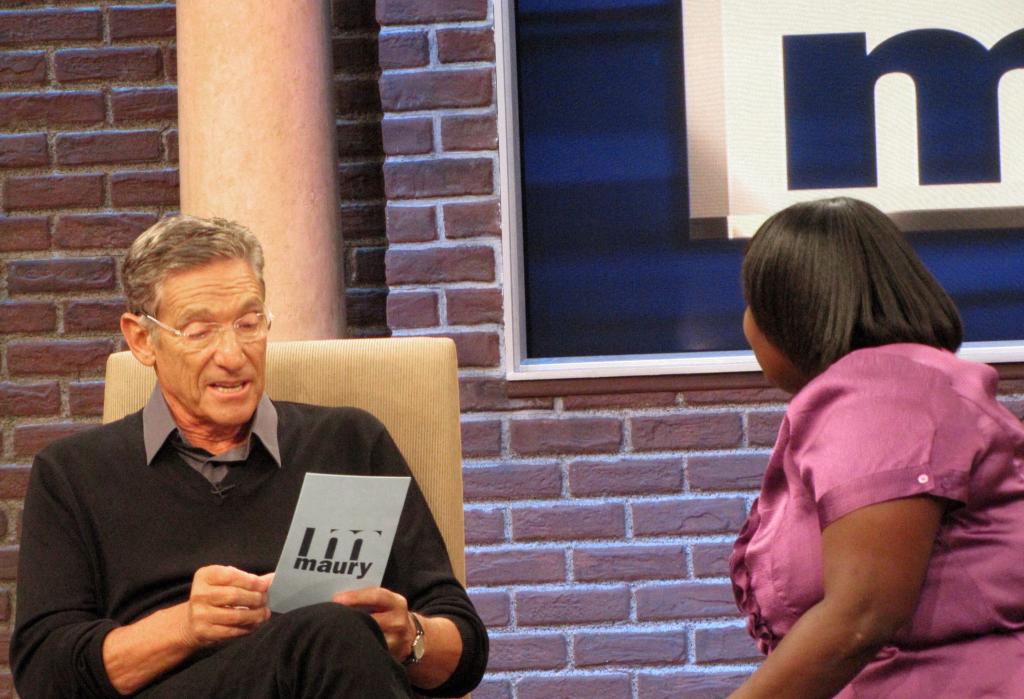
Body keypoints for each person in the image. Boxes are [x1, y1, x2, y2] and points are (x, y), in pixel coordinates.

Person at [11, 215, 488, 698]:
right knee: (331, 632)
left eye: (248, 323)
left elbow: (464, 650)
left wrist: (410, 637)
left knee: (337, 632)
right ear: (141, 339)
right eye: (199, 331)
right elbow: (45, 675)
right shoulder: (74, 472)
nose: (233, 354)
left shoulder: (348, 442)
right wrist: (184, 627)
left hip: (338, 674)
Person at [728, 197, 1024, 698]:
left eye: (752, 301)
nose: (747, 322)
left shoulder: (883, 396)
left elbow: (861, 617)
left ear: (790, 311)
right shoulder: (902, 387)